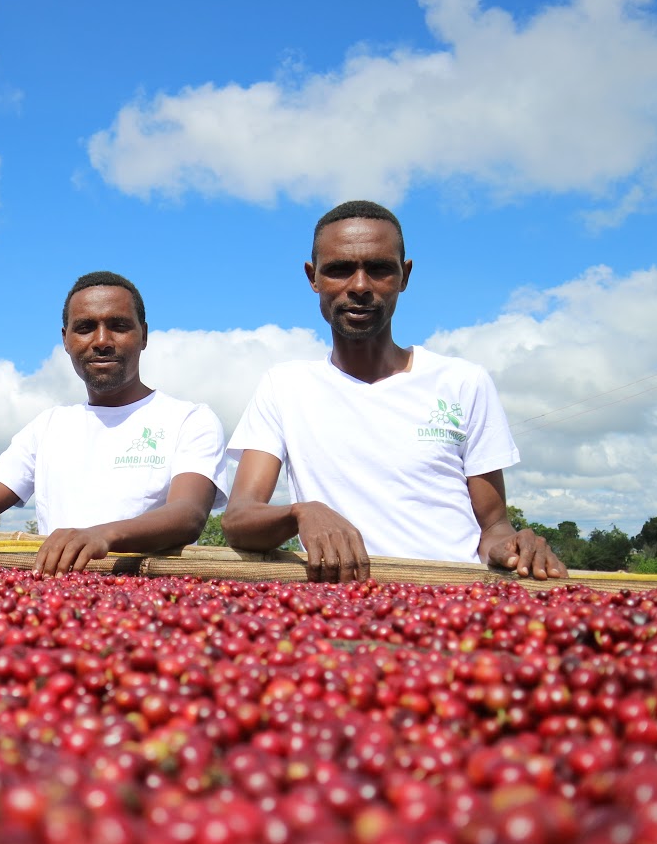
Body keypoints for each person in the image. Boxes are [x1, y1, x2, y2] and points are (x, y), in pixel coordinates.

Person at [222, 200, 565, 582]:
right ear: (313, 278)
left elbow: (493, 527)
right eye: (338, 270)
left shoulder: (463, 382)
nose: (360, 286)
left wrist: (512, 546)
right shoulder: (285, 386)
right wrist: (301, 512)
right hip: (342, 607)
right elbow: (238, 518)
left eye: (380, 269)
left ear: (404, 275)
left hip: (456, 600)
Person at [0, 271, 228, 574]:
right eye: (86, 327)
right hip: (61, 604)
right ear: (65, 339)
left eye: (118, 325)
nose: (102, 340)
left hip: (151, 603)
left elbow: (188, 513)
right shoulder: (49, 427)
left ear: (143, 335)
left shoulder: (189, 419)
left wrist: (102, 537)